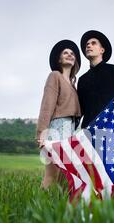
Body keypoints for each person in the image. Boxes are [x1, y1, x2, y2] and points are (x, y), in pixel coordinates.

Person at [36, 40, 82, 189]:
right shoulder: (55, 76)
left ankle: (59, 208)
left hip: (71, 130)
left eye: (72, 53)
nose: (69, 55)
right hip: (56, 128)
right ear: (59, 59)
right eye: (65, 53)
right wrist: (42, 133)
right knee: (52, 173)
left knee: (66, 174)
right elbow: (46, 106)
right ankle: (40, 207)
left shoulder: (73, 85)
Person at [77, 30, 114, 129]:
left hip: (111, 130)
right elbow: (79, 112)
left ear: (102, 50)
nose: (88, 46)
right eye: (87, 44)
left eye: (93, 43)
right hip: (89, 133)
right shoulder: (82, 80)